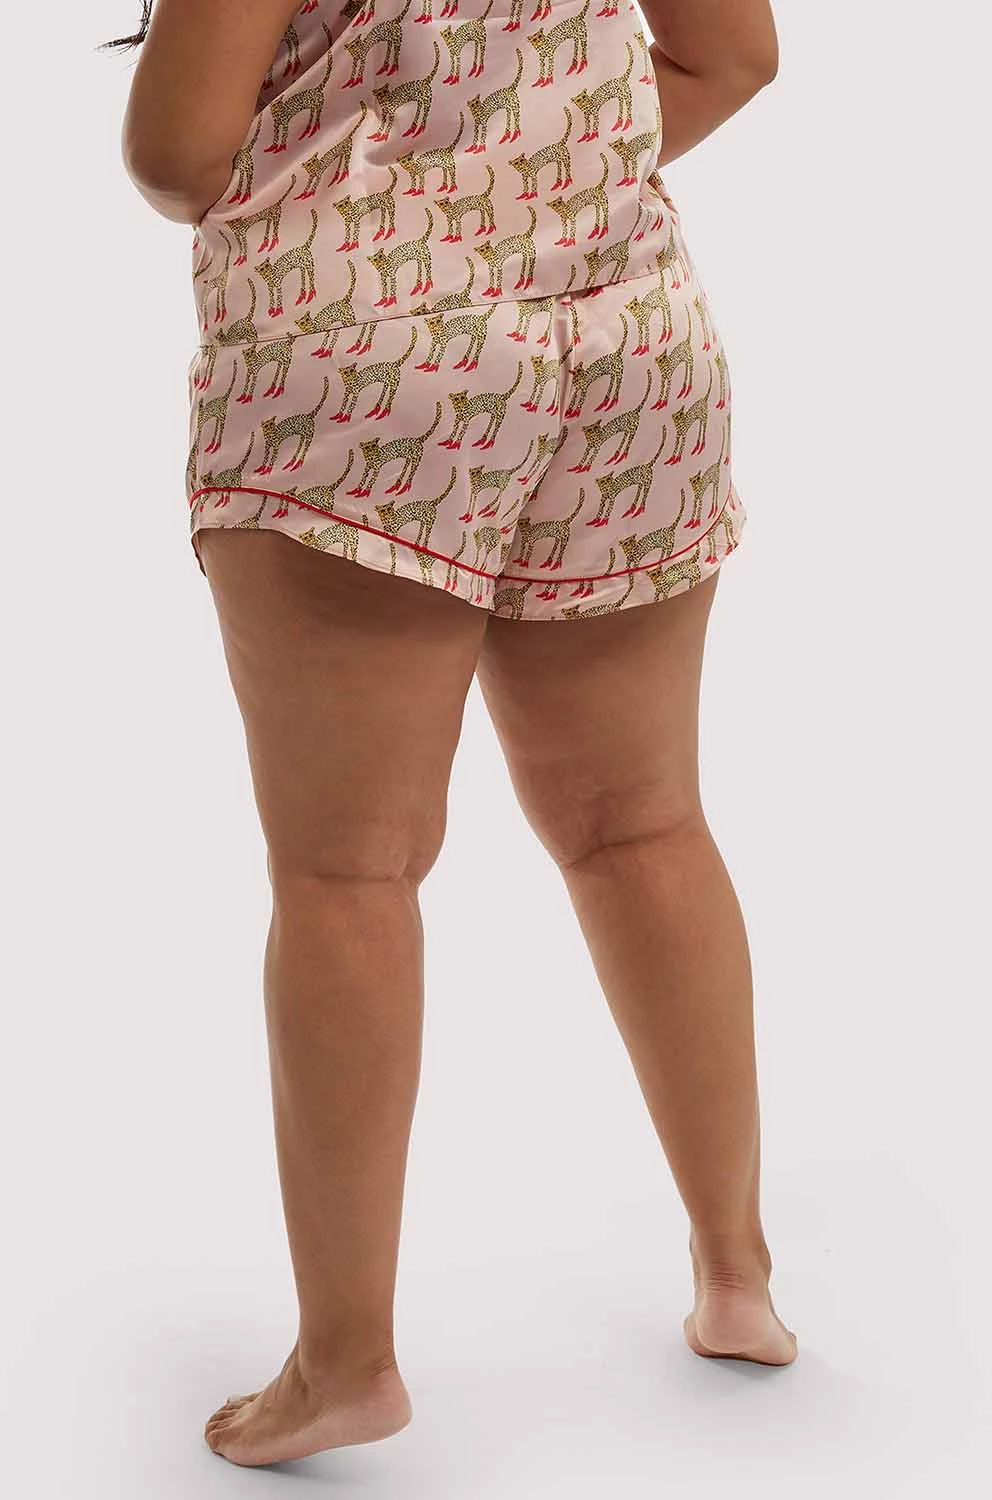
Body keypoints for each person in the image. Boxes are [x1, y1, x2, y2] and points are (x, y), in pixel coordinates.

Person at [110, 0, 791, 1470]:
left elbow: (176, 151)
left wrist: (414, 212)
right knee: (642, 822)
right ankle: (737, 1271)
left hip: (371, 363)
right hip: (626, 343)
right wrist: (527, 188)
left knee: (349, 872)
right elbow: (734, 55)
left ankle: (344, 1362)